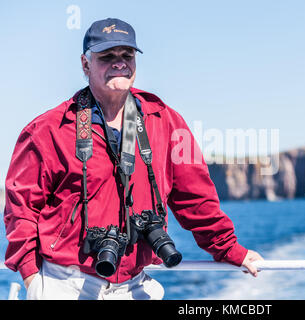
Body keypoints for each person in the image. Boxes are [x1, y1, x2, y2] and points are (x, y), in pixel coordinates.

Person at [3, 18, 263, 300]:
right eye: (107, 56)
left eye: (127, 55)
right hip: (65, 283)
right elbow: (21, 209)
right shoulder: (48, 129)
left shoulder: (165, 120)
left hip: (134, 285)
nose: (119, 63)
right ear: (85, 64)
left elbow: (195, 198)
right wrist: (32, 277)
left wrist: (230, 250)